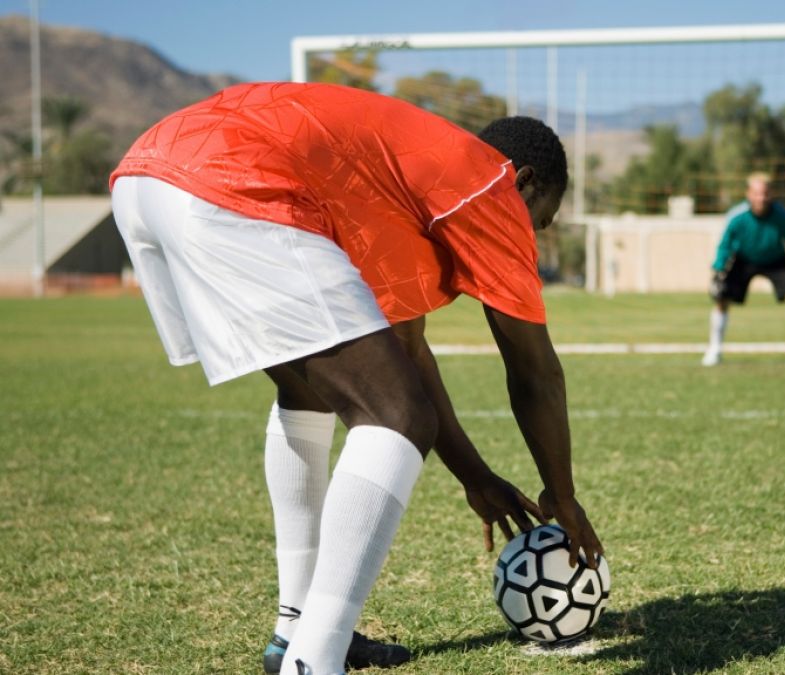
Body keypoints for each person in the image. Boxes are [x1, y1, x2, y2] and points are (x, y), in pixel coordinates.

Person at [109, 82, 604, 675]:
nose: (532, 236)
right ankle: (313, 662)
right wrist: (564, 496)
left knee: (309, 390)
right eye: (539, 220)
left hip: (148, 173)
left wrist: (477, 478)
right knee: (396, 419)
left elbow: (408, 353)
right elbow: (534, 369)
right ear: (523, 181)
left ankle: (293, 631)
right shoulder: (486, 184)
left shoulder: (403, 185)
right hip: (226, 176)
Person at [703, 172, 785, 367]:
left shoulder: (782, 217)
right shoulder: (737, 216)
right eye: (757, 193)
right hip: (743, 259)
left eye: (765, 193)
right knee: (721, 299)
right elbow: (725, 244)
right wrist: (718, 269)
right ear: (748, 194)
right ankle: (714, 349)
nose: (761, 198)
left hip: (775, 258)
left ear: (771, 194)